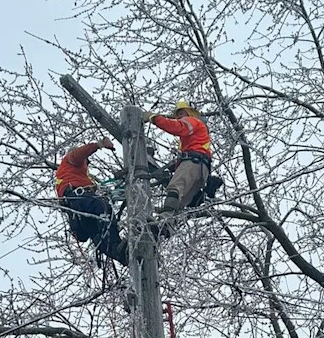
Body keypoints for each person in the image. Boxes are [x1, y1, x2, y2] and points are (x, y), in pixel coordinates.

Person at [141, 100, 212, 235]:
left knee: (175, 187)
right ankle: (167, 227)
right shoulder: (197, 135)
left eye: (181, 113)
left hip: (194, 163)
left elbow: (178, 127)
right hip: (202, 170)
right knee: (179, 204)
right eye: (177, 114)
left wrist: (154, 118)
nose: (179, 117)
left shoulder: (193, 121)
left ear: (189, 112)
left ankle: (163, 221)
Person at [54, 137, 128, 265]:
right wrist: (99, 145)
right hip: (78, 198)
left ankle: (118, 253)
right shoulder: (71, 159)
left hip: (76, 207)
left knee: (97, 232)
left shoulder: (72, 175)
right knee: (104, 209)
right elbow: (79, 154)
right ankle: (116, 244)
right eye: (86, 162)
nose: (86, 165)